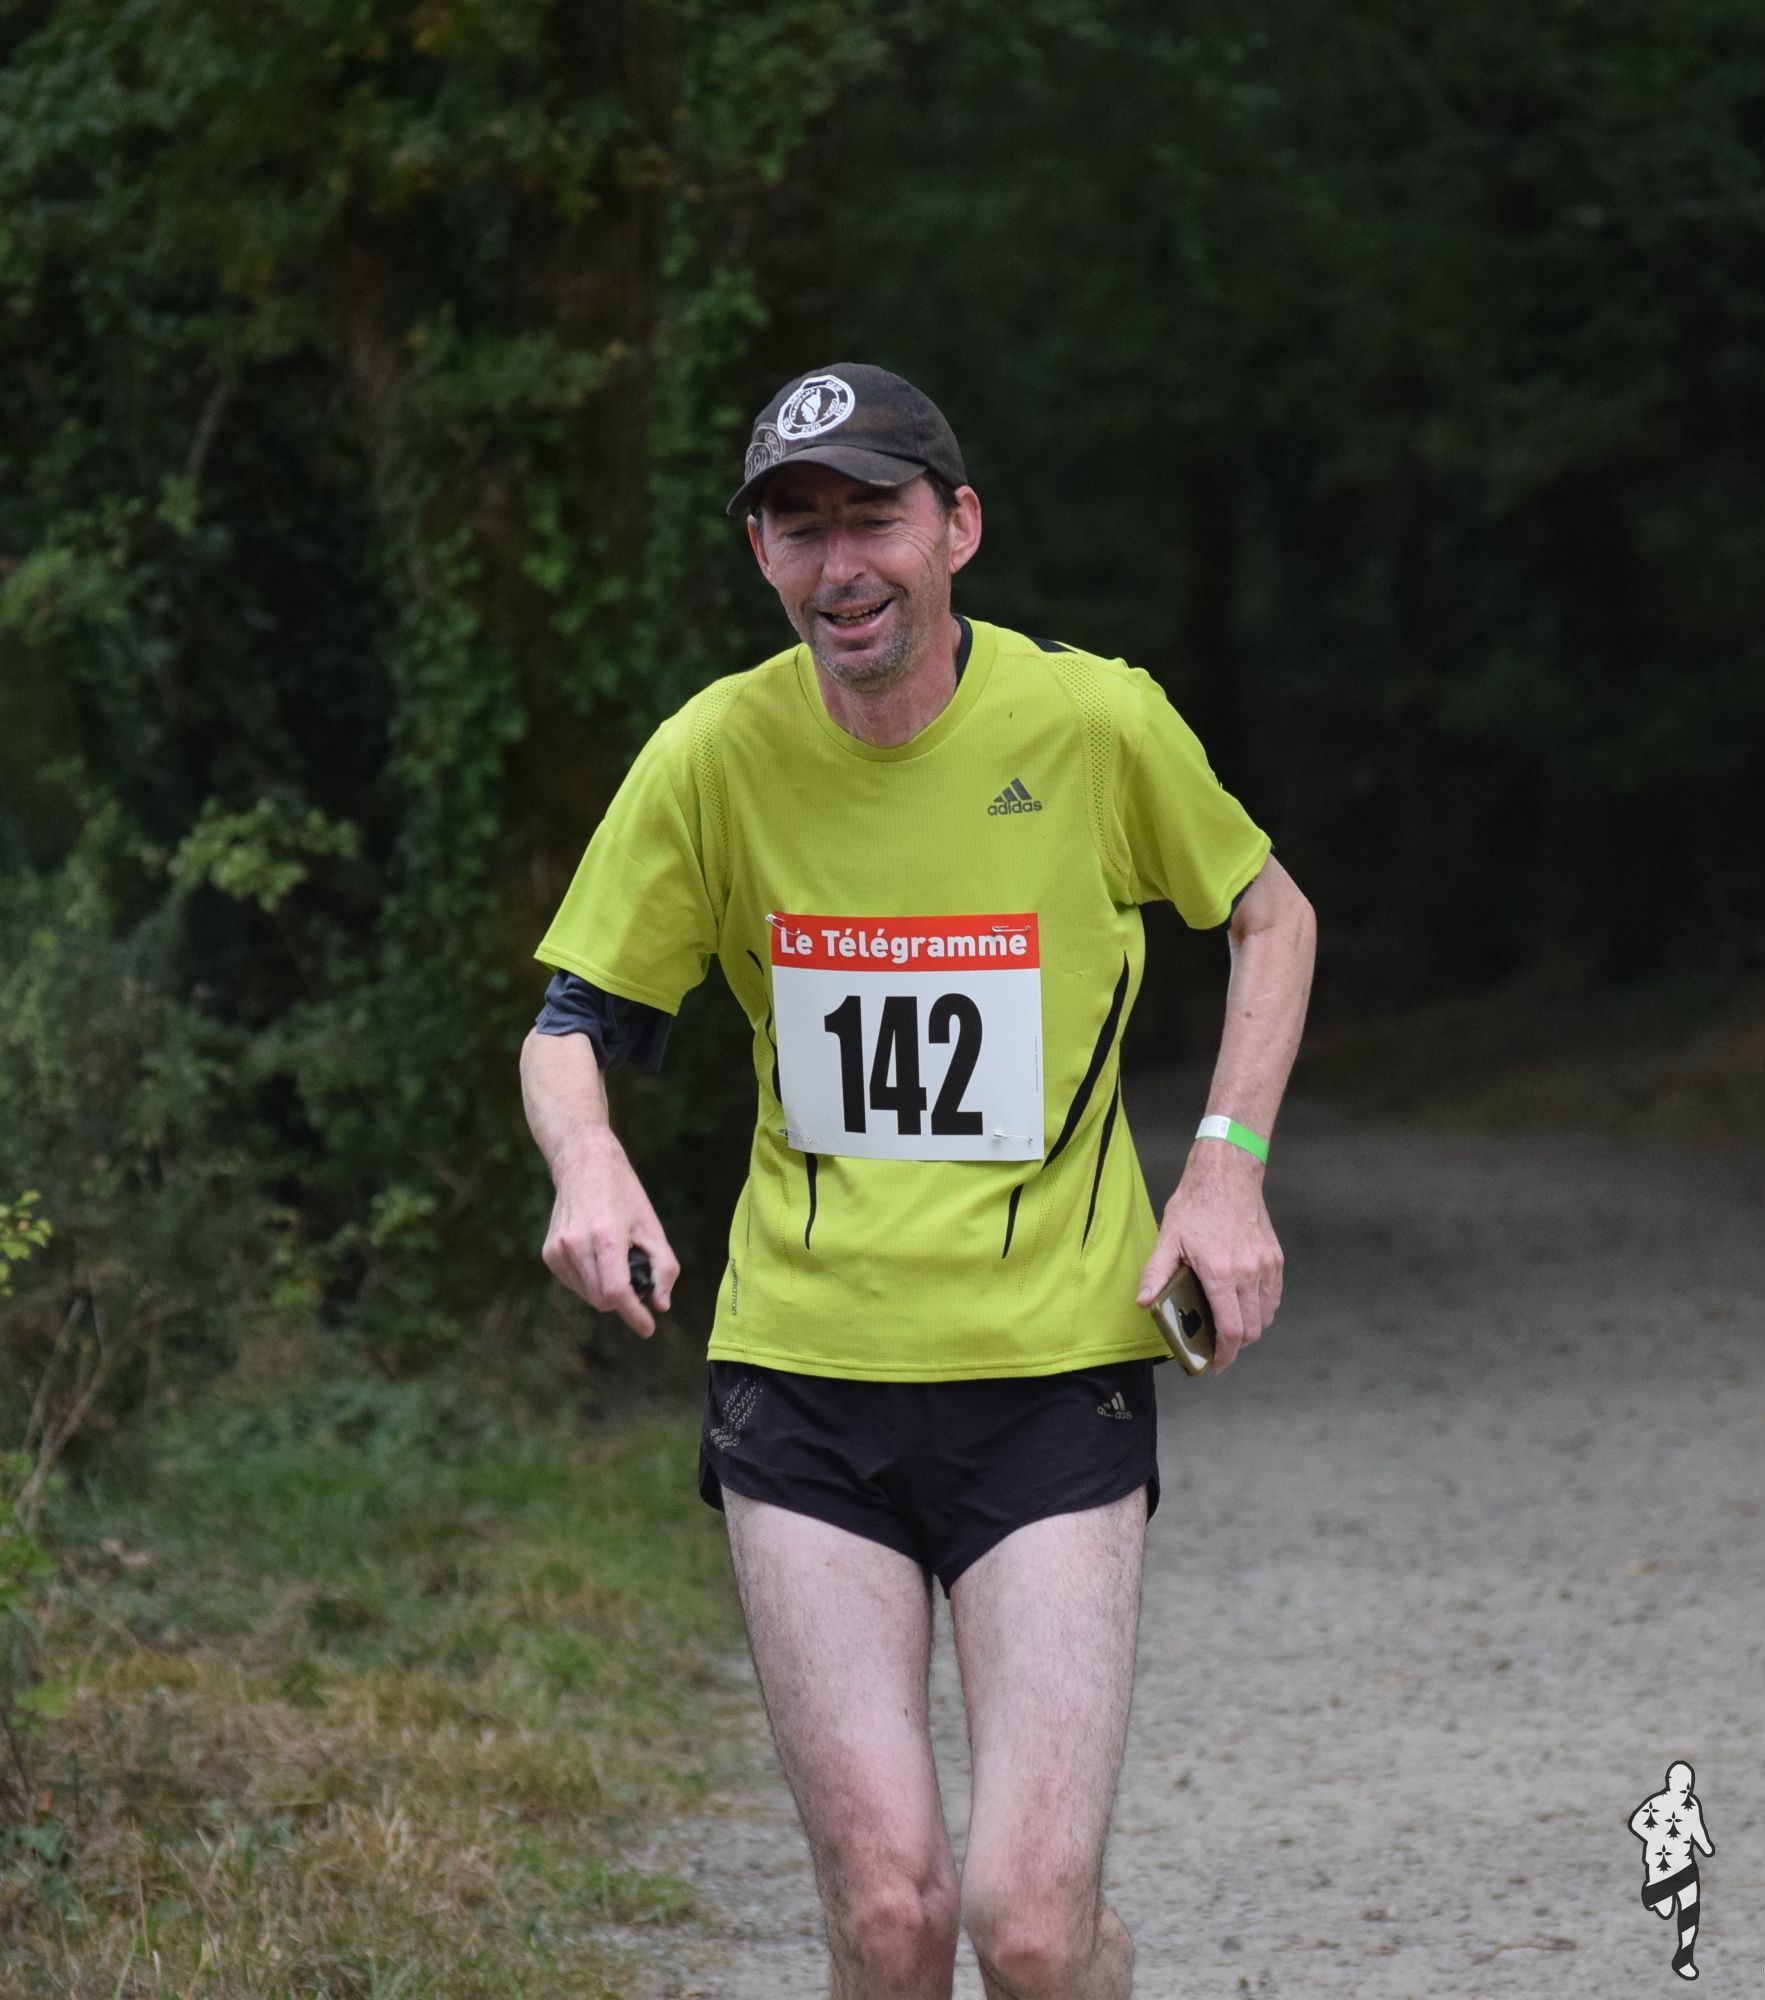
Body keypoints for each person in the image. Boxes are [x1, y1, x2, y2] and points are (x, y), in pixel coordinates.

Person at [517, 361, 1316, 2000]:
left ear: (957, 528)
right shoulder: (714, 754)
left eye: (872, 517)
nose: (841, 564)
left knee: (1030, 1930)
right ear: (762, 556)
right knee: (890, 1918)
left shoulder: (1094, 724)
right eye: (797, 527)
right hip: (804, 1381)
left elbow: (1270, 915)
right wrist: (586, 1161)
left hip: (1052, 1376)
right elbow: (570, 1024)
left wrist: (1224, 1172)